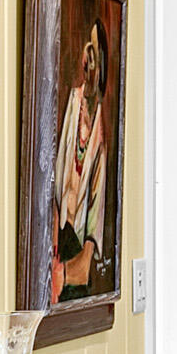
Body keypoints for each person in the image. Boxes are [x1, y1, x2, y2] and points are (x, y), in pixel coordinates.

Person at [52, 21, 111, 297]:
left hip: (81, 242)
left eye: (94, 55)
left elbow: (97, 197)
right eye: (88, 49)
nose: (87, 58)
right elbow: (60, 159)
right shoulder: (74, 102)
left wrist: (86, 253)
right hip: (61, 226)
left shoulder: (101, 126)